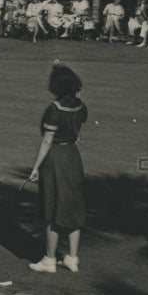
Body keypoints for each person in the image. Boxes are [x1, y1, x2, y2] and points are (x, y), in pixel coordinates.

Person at [27, 64, 88, 274]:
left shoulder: (53, 109)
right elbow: (78, 136)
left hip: (55, 158)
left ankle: (50, 260)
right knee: (73, 205)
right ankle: (72, 257)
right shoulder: (82, 107)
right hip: (73, 157)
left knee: (52, 208)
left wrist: (35, 168)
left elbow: (46, 141)